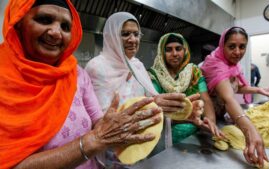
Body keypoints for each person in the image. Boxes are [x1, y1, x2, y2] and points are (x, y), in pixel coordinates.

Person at [0, 1, 161, 169]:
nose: (56, 33)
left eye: (65, 26)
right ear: (18, 23)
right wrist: (92, 142)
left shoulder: (76, 74)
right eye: (44, 20)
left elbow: (97, 119)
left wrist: (109, 125)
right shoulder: (4, 76)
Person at [85, 12, 207, 167]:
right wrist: (153, 104)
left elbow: (153, 108)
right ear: (111, 36)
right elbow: (99, 120)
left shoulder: (137, 66)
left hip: (140, 148)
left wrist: (180, 112)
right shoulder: (97, 67)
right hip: (112, 153)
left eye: (136, 34)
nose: (133, 39)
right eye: (125, 34)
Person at [200, 27, 269, 168]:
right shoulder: (214, 64)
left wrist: (258, 89)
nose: (237, 52)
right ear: (222, 45)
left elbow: (235, 87)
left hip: (221, 114)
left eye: (242, 47)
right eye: (232, 46)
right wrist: (250, 131)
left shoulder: (231, 65)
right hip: (207, 119)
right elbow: (228, 98)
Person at [148, 33, 223, 143]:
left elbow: (205, 99)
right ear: (162, 53)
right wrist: (183, 118)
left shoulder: (194, 72)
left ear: (185, 50)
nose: (174, 53)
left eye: (178, 49)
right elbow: (154, 108)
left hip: (193, 136)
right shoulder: (154, 75)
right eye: (169, 50)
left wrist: (210, 121)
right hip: (164, 137)